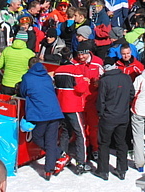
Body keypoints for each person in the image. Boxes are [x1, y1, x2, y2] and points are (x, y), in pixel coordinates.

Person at [19, 57, 65, 180]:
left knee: (37, 137)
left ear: (29, 66)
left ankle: (58, 154)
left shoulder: (27, 77)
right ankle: (49, 169)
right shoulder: (46, 76)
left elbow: (23, 92)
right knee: (50, 141)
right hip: (54, 112)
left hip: (40, 113)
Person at [55, 47, 93, 175]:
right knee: (80, 133)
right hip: (73, 106)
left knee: (65, 131)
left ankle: (62, 155)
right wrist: (86, 82)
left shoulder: (58, 70)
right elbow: (80, 89)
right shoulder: (75, 69)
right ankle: (81, 163)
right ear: (70, 57)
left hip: (61, 105)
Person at [94, 57, 134, 181]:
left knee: (104, 143)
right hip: (123, 116)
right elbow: (132, 94)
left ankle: (103, 170)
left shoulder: (105, 81)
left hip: (108, 117)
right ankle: (122, 169)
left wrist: (101, 112)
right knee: (121, 142)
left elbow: (101, 100)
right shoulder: (126, 77)